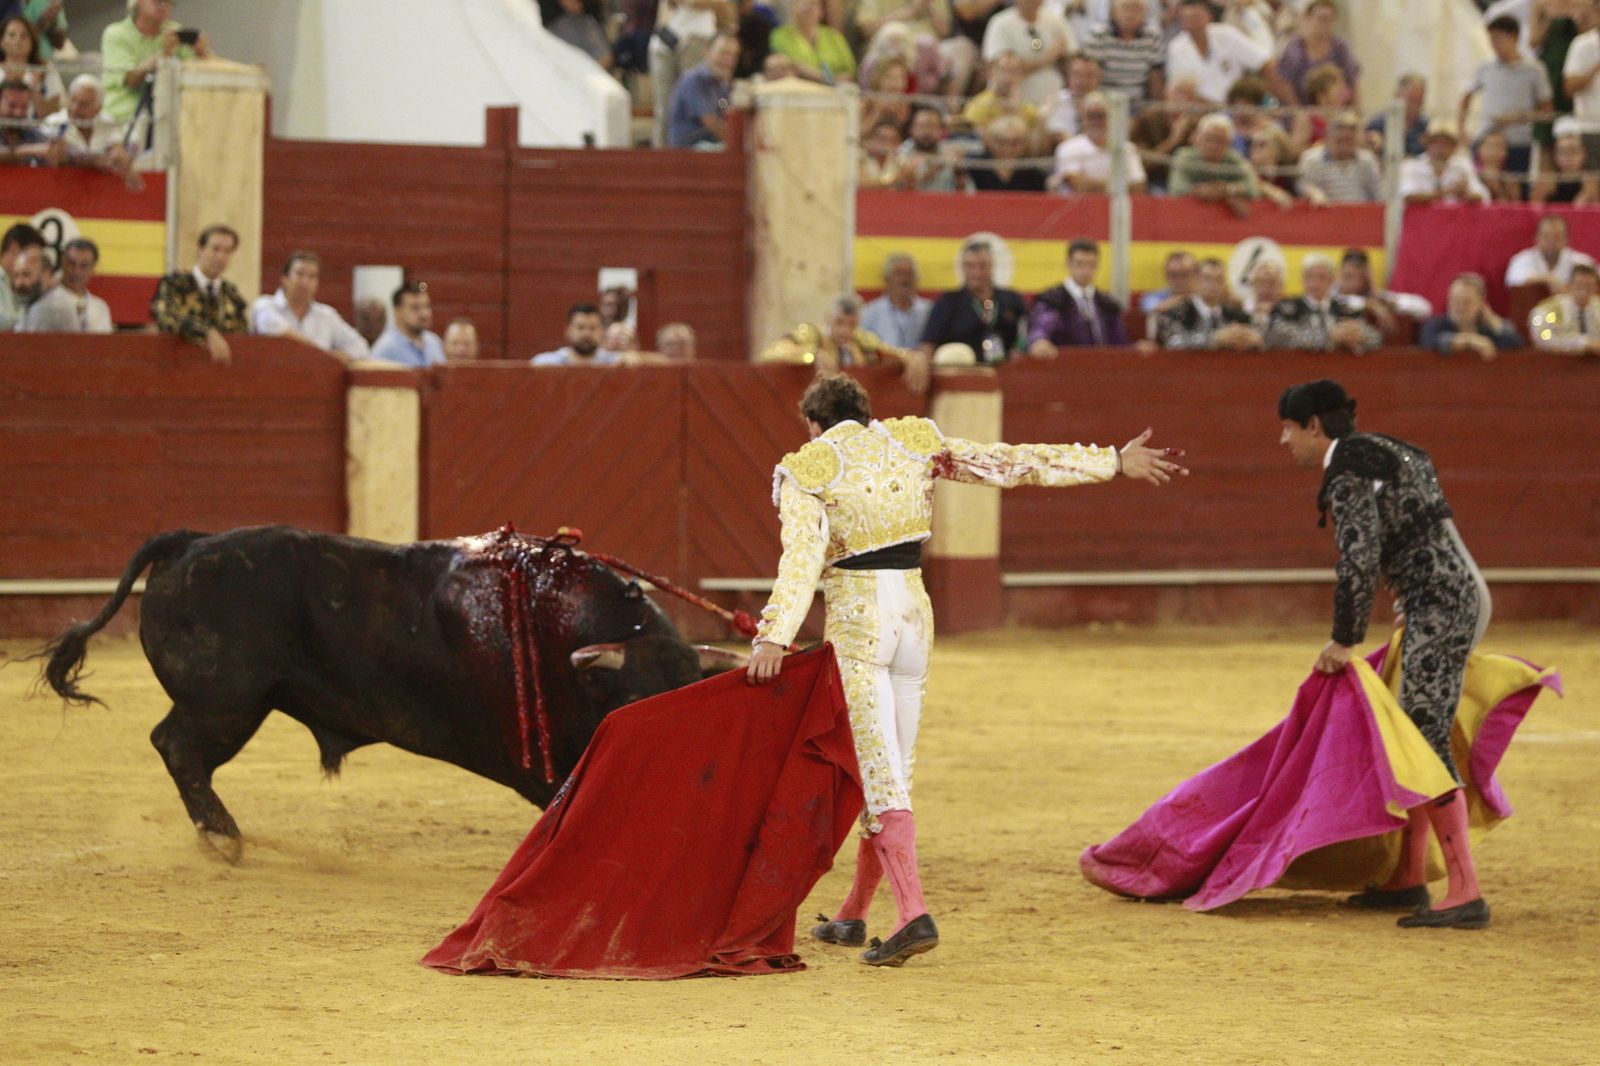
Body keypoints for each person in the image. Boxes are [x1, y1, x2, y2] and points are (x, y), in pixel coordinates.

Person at [747, 374, 1187, 965]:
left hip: (859, 621)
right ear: (866, 413)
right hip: (914, 615)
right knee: (893, 772)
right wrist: (1109, 461)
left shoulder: (809, 466)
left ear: (814, 425)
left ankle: (911, 915)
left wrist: (774, 634)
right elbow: (1009, 463)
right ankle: (853, 914)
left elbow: (801, 558)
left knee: (882, 780)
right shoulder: (912, 440)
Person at [1277, 379, 1494, 929]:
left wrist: (1344, 637)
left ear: (1314, 427)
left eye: (1287, 428)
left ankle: (1465, 890)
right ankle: (1408, 875)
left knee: (1420, 738)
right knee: (1409, 734)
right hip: (1442, 595)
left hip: (1440, 604)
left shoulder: (1347, 469)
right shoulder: (1391, 448)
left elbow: (1359, 556)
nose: (1284, 441)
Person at [759, 294, 923, 390]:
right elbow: (771, 352)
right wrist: (812, 354)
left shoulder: (861, 340)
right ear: (827, 320)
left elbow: (890, 352)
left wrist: (911, 357)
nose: (845, 330)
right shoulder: (812, 334)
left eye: (852, 324)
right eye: (839, 322)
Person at [1461, 15, 1554, 179]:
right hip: (1486, 141)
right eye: (1491, 39)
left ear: (1515, 37)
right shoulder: (1485, 66)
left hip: (1518, 142)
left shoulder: (1534, 69)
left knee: (1516, 191)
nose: (1494, 45)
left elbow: (1547, 111)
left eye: (1499, 39)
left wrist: (1519, 117)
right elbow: (1466, 97)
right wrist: (1462, 132)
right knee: (1484, 186)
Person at [919, 239, 1031, 364]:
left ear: (991, 266)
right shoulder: (948, 302)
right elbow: (928, 346)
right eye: (970, 266)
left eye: (982, 266)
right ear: (963, 268)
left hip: (1005, 373)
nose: (976, 273)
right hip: (962, 375)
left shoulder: (1012, 300)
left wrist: (1021, 351)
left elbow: (1026, 334)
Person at [102, 0, 212, 125]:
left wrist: (202, 54)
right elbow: (131, 80)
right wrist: (163, 55)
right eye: (158, 1)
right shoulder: (116, 34)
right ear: (137, 2)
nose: (164, 6)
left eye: (169, 2)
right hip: (125, 120)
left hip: (167, 119)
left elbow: (198, 73)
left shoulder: (174, 32)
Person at [151, 224, 247, 364]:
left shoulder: (231, 294)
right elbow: (166, 315)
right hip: (177, 365)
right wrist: (206, 332)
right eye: (215, 249)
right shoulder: (175, 284)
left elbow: (241, 333)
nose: (221, 257)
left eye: (227, 251)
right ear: (200, 250)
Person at [1165, 0, 1290, 105]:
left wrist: (1277, 100)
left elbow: (1265, 62)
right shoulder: (1176, 48)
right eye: (1188, 19)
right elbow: (1177, 92)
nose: (1193, 23)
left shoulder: (1227, 35)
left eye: (1196, 17)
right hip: (1198, 112)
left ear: (1208, 16)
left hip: (1238, 107)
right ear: (1181, 20)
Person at [250, 251, 370, 361]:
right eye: (300, 274)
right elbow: (277, 331)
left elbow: (361, 347)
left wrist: (338, 357)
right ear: (284, 279)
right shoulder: (265, 304)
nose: (305, 282)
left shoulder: (327, 315)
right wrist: (322, 356)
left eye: (312, 276)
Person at [1263, 253, 1380, 352]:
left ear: (1332, 281)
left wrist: (1360, 335)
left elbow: (1376, 338)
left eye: (1321, 277)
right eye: (1310, 276)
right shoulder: (1288, 306)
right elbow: (1277, 335)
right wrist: (1328, 336)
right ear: (1303, 279)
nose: (1315, 283)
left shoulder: (1344, 308)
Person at [1027, 238, 1129, 352]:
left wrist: (1134, 349)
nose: (1085, 270)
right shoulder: (1053, 300)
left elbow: (1119, 344)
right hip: (1062, 366)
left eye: (1091, 265)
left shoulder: (1106, 303)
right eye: (1080, 264)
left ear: (1097, 266)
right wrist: (1039, 340)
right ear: (1069, 264)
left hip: (1101, 365)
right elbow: (1041, 327)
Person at [649, 0, 720, 147]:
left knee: (695, 109)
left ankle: (688, 163)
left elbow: (722, 5)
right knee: (664, 110)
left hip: (697, 37)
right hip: (664, 38)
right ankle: (660, 164)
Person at [1048, 91, 1147, 194]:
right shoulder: (1067, 148)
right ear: (1082, 118)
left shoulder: (1127, 148)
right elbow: (1077, 185)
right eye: (1090, 116)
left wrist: (1094, 184)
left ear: (1110, 117)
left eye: (1100, 116)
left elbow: (1139, 187)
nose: (1095, 122)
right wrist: (1119, 187)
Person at [981, 0, 1075, 107]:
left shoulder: (1056, 20)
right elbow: (1003, 70)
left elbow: (1073, 59)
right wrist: (1046, 59)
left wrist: (1063, 58)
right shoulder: (1000, 22)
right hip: (1014, 102)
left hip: (1053, 100)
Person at [1155, 256, 1262, 349]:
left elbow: (1259, 337)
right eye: (1207, 279)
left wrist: (1252, 338)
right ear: (1195, 280)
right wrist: (1214, 339)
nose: (1212, 285)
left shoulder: (1236, 314)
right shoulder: (1177, 311)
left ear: (1224, 283)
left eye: (1218, 280)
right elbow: (1173, 341)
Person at [1418, 273, 1524, 359]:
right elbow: (1430, 341)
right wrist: (1469, 340)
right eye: (1455, 300)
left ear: (1481, 303)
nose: (1459, 307)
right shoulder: (1436, 324)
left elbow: (1516, 345)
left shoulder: (1488, 328)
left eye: (1466, 302)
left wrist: (1492, 319)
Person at [1169, 113, 1260, 212]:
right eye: (1209, 138)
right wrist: (1204, 191)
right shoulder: (1185, 156)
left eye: (1219, 140)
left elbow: (1253, 189)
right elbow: (1176, 189)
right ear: (1198, 138)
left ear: (1229, 143)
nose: (1213, 146)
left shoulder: (1235, 160)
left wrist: (1227, 189)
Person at [20, 236, 113, 332]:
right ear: (63, 263)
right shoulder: (46, 300)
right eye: (71, 264)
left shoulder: (100, 308)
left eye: (84, 266)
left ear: (93, 269)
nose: (76, 272)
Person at [1276, 0, 1360, 105]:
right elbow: (1285, 84)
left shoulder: (1340, 48)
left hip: (1336, 111)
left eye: (1330, 20)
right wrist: (1297, 113)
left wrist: (1356, 112)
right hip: (1303, 111)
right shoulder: (1294, 49)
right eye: (1321, 19)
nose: (1325, 24)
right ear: (1308, 18)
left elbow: (1353, 80)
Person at [1081, 0, 1165, 105]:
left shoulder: (1153, 36)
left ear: (1144, 13)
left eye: (1136, 9)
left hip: (1138, 101)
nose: (1130, 14)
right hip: (1104, 101)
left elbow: (1155, 78)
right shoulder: (1098, 35)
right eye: (1125, 8)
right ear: (1113, 11)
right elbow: (1090, 75)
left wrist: (1154, 107)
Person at [667, 32, 739, 148]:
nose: (728, 61)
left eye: (733, 56)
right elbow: (711, 123)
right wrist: (739, 142)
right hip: (689, 153)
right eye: (723, 53)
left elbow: (728, 114)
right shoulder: (693, 80)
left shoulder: (723, 84)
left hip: (710, 147)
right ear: (707, 52)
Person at [1399, 120, 1490, 204]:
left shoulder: (1463, 166)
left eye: (1446, 143)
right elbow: (1407, 196)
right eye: (1435, 142)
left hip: (1453, 220)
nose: (1440, 148)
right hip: (1419, 220)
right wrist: (1447, 192)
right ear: (1427, 145)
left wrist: (1465, 193)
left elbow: (1483, 196)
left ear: (1454, 148)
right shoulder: (1412, 165)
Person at [770, 0, 855, 84]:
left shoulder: (834, 36)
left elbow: (851, 73)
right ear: (793, 9)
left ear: (822, 11)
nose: (807, 8)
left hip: (836, 91)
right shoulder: (780, 35)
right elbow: (785, 68)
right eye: (801, 3)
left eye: (813, 3)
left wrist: (820, 77)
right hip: (799, 90)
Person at [1504, 212, 1597, 287]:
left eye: (1557, 237)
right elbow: (1513, 281)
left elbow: (1596, 279)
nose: (1551, 242)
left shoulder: (1580, 261)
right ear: (1537, 238)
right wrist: (1548, 280)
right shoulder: (1522, 260)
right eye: (1546, 236)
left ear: (1567, 239)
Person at [861, 253, 933, 349]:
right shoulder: (870, 313)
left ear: (916, 279)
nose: (904, 280)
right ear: (887, 279)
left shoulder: (929, 311)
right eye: (898, 274)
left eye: (909, 274)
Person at [1528, 260, 1600, 352]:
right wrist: (1584, 343)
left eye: (1589, 286)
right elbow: (1541, 337)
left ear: (1596, 288)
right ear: (1569, 285)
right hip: (1558, 361)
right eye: (1579, 285)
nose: (1584, 291)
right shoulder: (1548, 309)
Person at [963, 115, 1048, 191]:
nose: (1008, 149)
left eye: (1015, 143)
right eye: (1001, 142)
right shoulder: (976, 164)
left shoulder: (1032, 169)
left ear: (1024, 143)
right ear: (991, 141)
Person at [371, 281, 446, 367]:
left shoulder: (434, 342)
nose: (424, 314)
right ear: (397, 311)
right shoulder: (385, 349)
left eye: (426, 306)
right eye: (415, 308)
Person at [532, 302, 627, 365]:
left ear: (602, 332)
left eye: (593, 328)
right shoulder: (547, 363)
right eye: (580, 328)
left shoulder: (613, 362)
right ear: (568, 331)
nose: (587, 334)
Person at [2, 13, 60, 115]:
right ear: (1, 42)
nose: (18, 40)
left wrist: (36, 90)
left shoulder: (45, 71)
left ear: (32, 41)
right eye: (12, 35)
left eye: (24, 36)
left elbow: (52, 114)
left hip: (37, 129)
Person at [1364, 73, 1429, 159]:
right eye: (1411, 100)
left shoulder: (1426, 127)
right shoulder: (1378, 124)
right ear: (1397, 96)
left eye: (1419, 101)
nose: (1415, 106)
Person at [1530, 128, 1599, 202]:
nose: (1568, 158)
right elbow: (1533, 210)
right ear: (1555, 156)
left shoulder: (1592, 182)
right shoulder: (1545, 182)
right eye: (1562, 152)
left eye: (1573, 151)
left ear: (1583, 154)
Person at [0, 220, 43, 330]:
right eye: (32, 257)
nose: (35, 265)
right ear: (14, 249)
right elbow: (5, 321)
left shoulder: (21, 284)